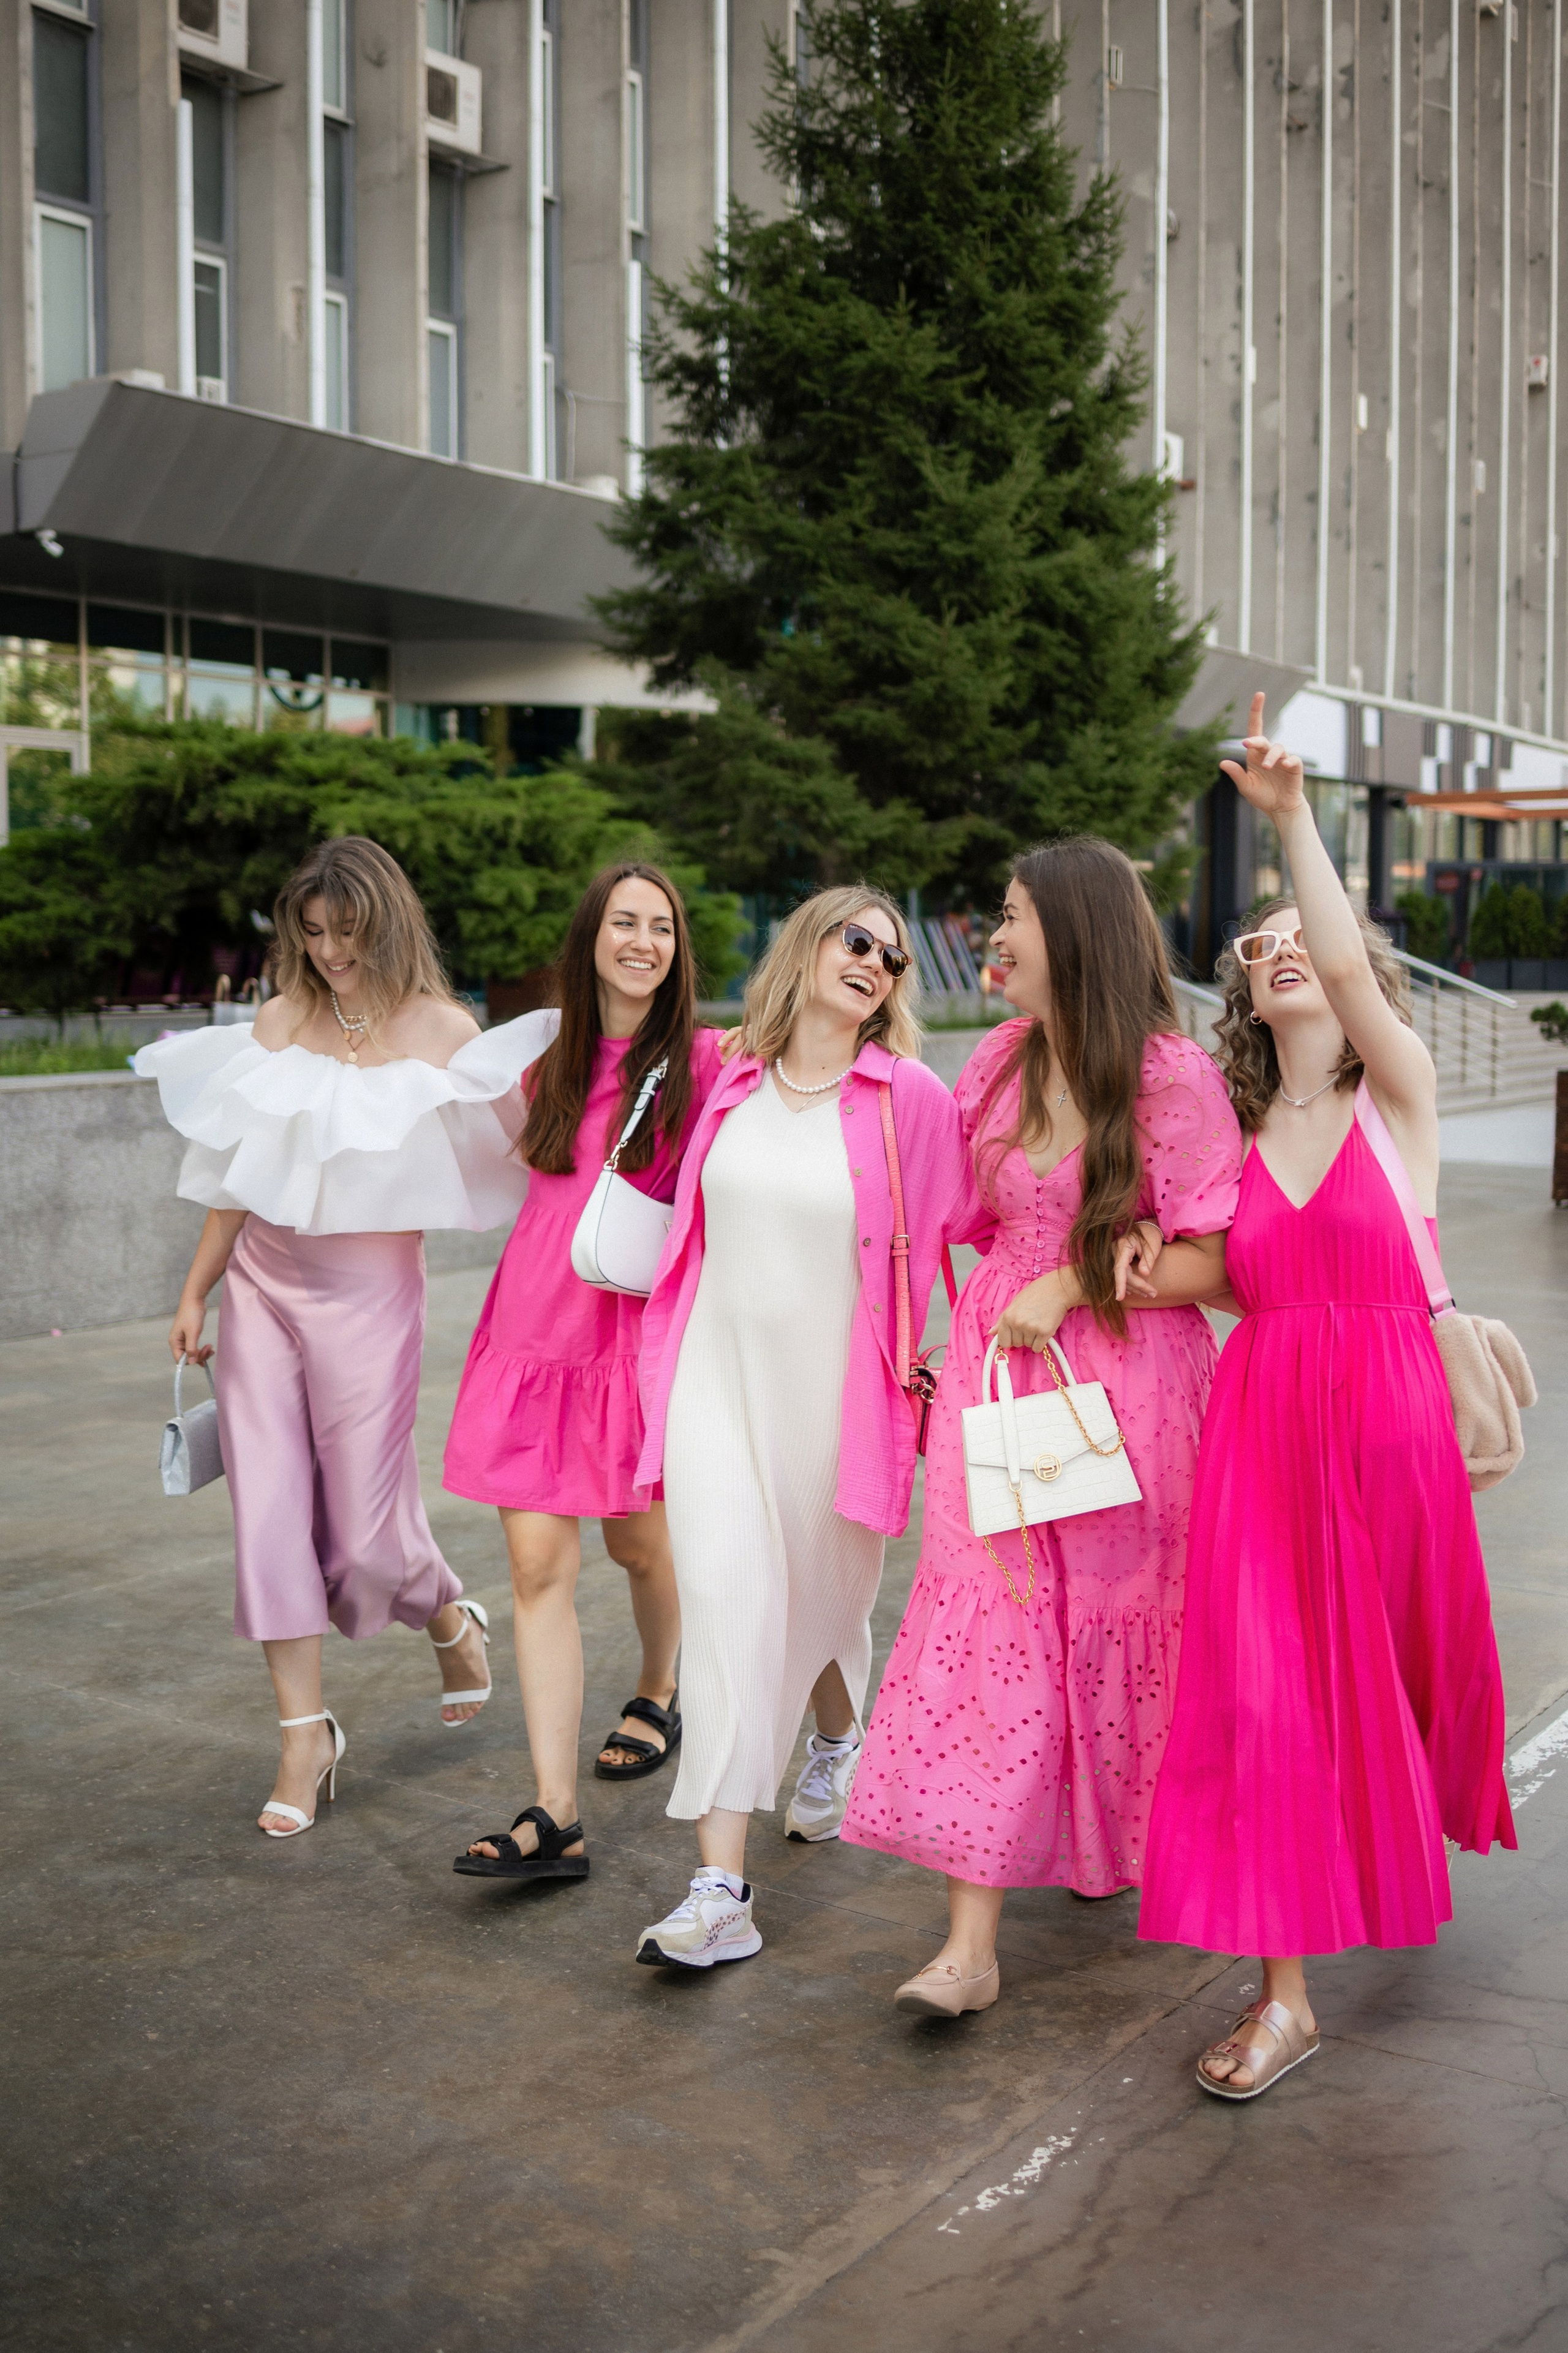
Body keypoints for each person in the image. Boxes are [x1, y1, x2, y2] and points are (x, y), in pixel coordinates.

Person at [1137, 695, 1516, 2098]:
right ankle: (1281, 1997)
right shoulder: (1238, 1138)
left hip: (1387, 1424)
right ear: (1239, 990)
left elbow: (1348, 968)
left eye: (1310, 943)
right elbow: (1225, 1282)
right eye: (1264, 948)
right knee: (1262, 1697)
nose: (1291, 954)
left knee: (1390, 1686)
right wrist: (1131, 1266)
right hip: (1261, 1425)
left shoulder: (1392, 1092)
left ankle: (1378, 1848)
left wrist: (1291, 821)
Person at [840, 837, 1243, 2017]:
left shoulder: (1170, 1077)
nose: (995, 935)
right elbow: (955, 1211)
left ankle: (1110, 1834)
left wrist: (1075, 1282)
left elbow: (1221, 1259)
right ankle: (971, 1946)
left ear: (1074, 934)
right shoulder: (998, 1062)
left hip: (1133, 1384)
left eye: (1012, 916)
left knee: (1125, 1618)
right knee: (1000, 1614)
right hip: (1001, 1375)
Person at [141, 835, 557, 1838]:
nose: (329, 952)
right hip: (262, 1287)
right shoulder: (283, 1018)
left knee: (367, 1542)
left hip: (373, 1291)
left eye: (347, 932)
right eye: (313, 932)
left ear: (388, 921)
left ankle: (447, 1612)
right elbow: (241, 1170)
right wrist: (197, 1289)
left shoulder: (441, 1027)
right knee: (270, 1513)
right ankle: (304, 1733)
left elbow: (541, 1142)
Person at [631, 886, 987, 1968]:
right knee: (731, 1610)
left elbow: (977, 1226)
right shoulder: (727, 1075)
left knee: (809, 1600)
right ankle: (718, 1891)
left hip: (839, 1407)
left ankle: (838, 1730)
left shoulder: (909, 1098)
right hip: (712, 1386)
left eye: (892, 955)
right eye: (856, 938)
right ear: (808, 944)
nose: (876, 959)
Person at [447, 864, 725, 1887]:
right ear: (593, 937)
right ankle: (553, 1814)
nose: (643, 940)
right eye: (625, 922)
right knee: (534, 1573)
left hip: (633, 1342)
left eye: (661, 926)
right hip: (531, 1334)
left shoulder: (704, 1059)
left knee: (641, 1548)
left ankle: (659, 1687)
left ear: (678, 948)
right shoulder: (543, 1059)